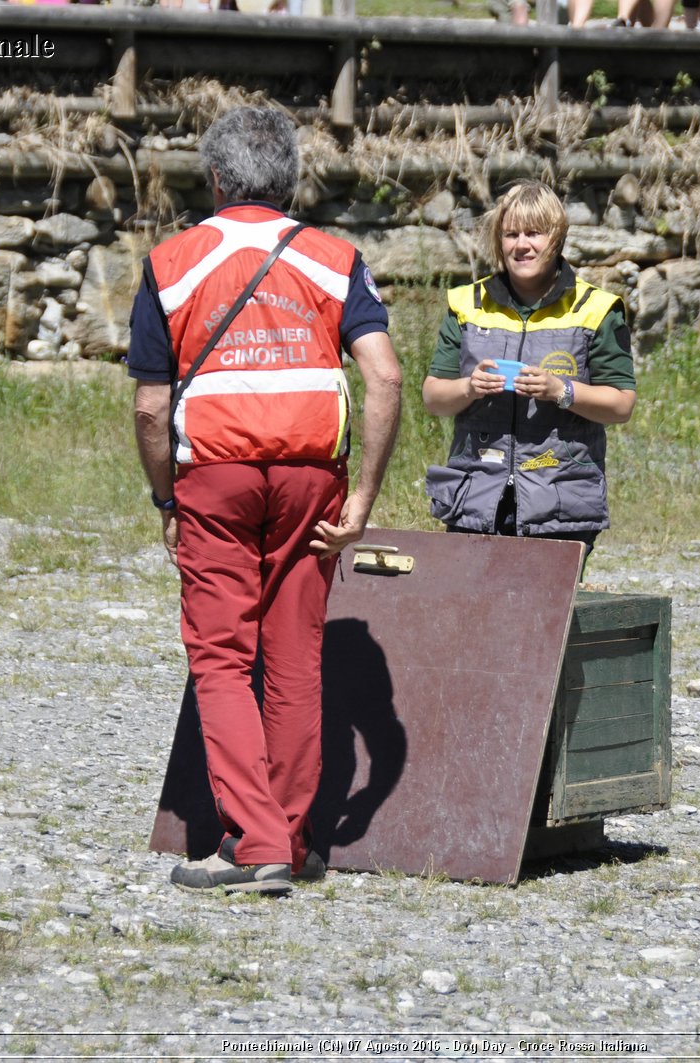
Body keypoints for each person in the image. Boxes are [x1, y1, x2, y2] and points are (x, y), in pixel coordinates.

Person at [128, 106, 403, 895]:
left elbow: (151, 408)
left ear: (215, 181)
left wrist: (164, 499)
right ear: (289, 182)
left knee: (221, 655)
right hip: (313, 475)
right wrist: (364, 500)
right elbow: (383, 375)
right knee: (294, 655)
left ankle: (253, 845)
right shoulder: (334, 258)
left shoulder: (172, 262)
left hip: (214, 473)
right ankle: (295, 836)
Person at [421, 181, 635, 568]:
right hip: (475, 497)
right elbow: (434, 397)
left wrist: (561, 390)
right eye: (511, 234)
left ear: (557, 238)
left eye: (534, 233)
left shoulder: (597, 309)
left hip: (561, 502)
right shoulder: (467, 304)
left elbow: (621, 405)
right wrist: (469, 388)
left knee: (542, 625)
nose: (522, 245)